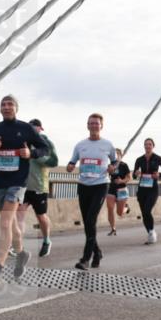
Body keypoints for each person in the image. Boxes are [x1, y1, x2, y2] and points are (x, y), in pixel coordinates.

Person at [0, 95, 49, 283]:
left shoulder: (25, 129)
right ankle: (22, 253)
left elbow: (44, 149)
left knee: (5, 223)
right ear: (0, 109)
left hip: (18, 182)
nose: (7, 107)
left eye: (10, 104)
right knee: (12, 224)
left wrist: (31, 153)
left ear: (16, 108)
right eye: (3, 105)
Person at [66, 114, 116, 269]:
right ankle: (98, 252)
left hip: (100, 185)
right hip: (83, 185)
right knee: (87, 223)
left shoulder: (108, 144)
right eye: (91, 123)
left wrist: (113, 167)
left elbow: (114, 162)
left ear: (101, 126)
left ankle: (85, 259)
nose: (94, 125)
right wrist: (70, 166)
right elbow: (72, 161)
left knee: (90, 220)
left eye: (97, 123)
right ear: (87, 126)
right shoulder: (80, 145)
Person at [17, 118, 58, 257]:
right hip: (23, 185)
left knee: (41, 216)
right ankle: (18, 246)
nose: (33, 130)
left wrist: (35, 156)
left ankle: (46, 240)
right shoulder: (24, 142)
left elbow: (54, 162)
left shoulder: (46, 143)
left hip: (39, 186)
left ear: (41, 129)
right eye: (30, 127)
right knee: (19, 216)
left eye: (35, 127)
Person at [132, 138, 161, 244]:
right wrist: (136, 173)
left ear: (153, 146)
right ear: (144, 146)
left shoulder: (157, 158)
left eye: (150, 144)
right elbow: (134, 175)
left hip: (153, 189)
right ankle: (150, 233)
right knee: (144, 214)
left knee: (147, 210)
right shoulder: (139, 159)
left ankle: (152, 232)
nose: (148, 146)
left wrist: (159, 175)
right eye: (146, 144)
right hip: (142, 189)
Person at [106, 148, 130, 236]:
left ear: (121, 155)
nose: (116, 155)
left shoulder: (124, 165)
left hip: (122, 189)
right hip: (112, 188)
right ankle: (113, 228)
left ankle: (126, 208)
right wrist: (109, 170)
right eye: (114, 154)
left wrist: (122, 181)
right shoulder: (110, 165)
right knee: (110, 208)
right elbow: (105, 173)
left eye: (118, 154)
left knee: (119, 213)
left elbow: (129, 178)